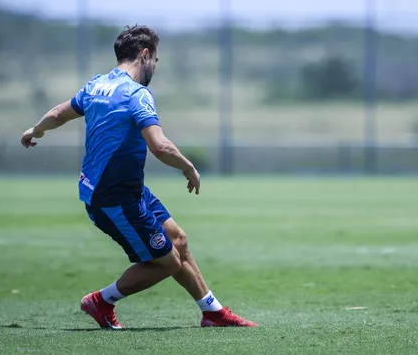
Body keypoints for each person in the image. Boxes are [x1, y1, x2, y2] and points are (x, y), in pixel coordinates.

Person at [20, 24, 257, 329]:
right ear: (145, 55)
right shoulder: (137, 94)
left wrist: (35, 129)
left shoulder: (96, 86)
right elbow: (159, 145)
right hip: (113, 197)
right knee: (168, 261)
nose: (155, 67)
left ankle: (212, 312)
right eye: (155, 60)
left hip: (129, 190)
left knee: (178, 240)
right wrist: (188, 167)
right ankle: (101, 301)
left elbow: (57, 114)